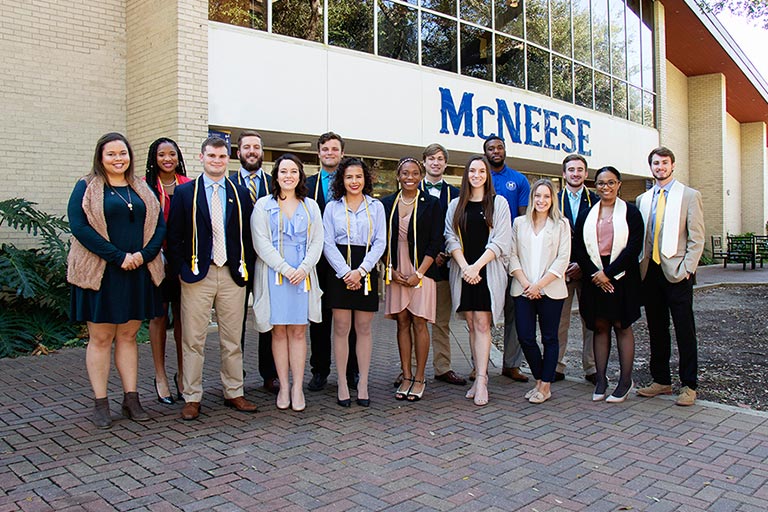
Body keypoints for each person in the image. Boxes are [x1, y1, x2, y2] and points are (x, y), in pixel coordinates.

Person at [67, 132, 165, 429]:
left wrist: (144, 255)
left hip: (137, 272)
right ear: (100, 157)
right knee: (100, 338)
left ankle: (131, 398)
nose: (118, 158)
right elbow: (79, 227)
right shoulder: (86, 186)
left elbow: (159, 223)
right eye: (111, 154)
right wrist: (117, 256)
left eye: (122, 153)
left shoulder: (141, 187)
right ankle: (101, 402)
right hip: (102, 274)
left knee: (128, 336)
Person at [167, 136, 258, 420]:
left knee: (232, 338)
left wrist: (246, 272)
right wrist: (183, 270)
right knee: (194, 339)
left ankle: (234, 391)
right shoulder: (185, 193)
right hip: (197, 275)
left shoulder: (241, 194)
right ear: (201, 157)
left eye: (221, 157)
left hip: (232, 275)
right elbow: (175, 237)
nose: (217, 161)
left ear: (227, 159)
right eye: (212, 156)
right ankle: (192, 396)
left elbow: (248, 238)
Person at [251, 154, 323, 411]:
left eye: (294, 171)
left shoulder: (311, 206)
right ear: (276, 175)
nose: (288, 176)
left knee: (299, 331)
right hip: (274, 273)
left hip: (302, 275)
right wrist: (284, 268)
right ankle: (283, 386)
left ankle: (297, 387)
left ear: (300, 175)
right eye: (283, 171)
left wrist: (303, 268)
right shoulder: (263, 205)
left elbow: (317, 241)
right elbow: (260, 243)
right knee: (278, 330)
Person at [636, 147, 705, 406]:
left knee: (684, 330)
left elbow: (697, 237)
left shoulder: (688, 195)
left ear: (672, 165)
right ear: (651, 167)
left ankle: (689, 385)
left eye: (665, 163)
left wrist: (688, 268)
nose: (660, 167)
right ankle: (661, 380)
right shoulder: (643, 199)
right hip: (650, 272)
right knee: (656, 328)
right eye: (656, 163)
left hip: (677, 273)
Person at [444, 156, 512, 406]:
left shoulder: (499, 203)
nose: (477, 174)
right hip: (464, 272)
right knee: (472, 325)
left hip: (486, 271)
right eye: (472, 170)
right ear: (466, 174)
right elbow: (450, 237)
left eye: (481, 170)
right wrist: (465, 267)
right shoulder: (456, 204)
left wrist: (476, 267)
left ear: (487, 175)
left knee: (483, 324)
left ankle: (483, 379)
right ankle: (476, 375)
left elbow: (501, 240)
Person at [574, 166, 644, 403]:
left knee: (621, 325)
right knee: (600, 325)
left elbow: (634, 246)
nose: (606, 187)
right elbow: (579, 248)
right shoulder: (586, 214)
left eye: (611, 182)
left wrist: (609, 274)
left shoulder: (631, 213)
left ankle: (625, 381)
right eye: (601, 183)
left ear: (619, 184)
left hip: (622, 276)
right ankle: (601, 380)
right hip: (594, 275)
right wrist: (596, 273)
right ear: (596, 186)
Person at [322, 157, 386, 407]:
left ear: (365, 179)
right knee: (340, 327)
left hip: (365, 268)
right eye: (349, 177)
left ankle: (362, 383)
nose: (354, 181)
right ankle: (341, 383)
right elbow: (327, 242)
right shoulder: (332, 207)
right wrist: (345, 272)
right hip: (339, 269)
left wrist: (361, 271)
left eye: (358, 176)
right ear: (342, 180)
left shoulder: (376, 207)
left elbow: (380, 241)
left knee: (364, 328)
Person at [381, 158, 443, 402]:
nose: (410, 177)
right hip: (396, 267)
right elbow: (381, 239)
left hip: (422, 270)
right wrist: (390, 268)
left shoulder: (432, 204)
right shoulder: (387, 203)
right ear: (398, 175)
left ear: (421, 175)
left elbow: (436, 241)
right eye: (405, 173)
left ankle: (419, 377)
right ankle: (405, 375)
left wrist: (419, 273)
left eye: (415, 173)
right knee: (402, 321)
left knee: (419, 321)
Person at [509, 179, 570, 404]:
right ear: (531, 198)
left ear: (552, 199)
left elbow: (563, 259)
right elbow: (511, 255)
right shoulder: (519, 223)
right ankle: (539, 379)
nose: (541, 200)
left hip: (550, 290)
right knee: (525, 337)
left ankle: (545, 386)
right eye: (538, 196)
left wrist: (540, 285)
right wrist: (527, 284)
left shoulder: (561, 224)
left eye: (546, 196)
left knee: (550, 338)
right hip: (523, 289)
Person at [306, 132, 359, 391]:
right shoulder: (306, 184)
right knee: (319, 319)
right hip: (317, 262)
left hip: (346, 262)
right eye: (325, 149)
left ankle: (351, 371)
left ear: (341, 153)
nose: (329, 153)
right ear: (319, 153)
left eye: (334, 149)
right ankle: (320, 370)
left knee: (347, 320)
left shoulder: (352, 182)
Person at [144, 137, 192, 404]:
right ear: (154, 157)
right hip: (156, 260)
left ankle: (183, 375)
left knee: (184, 320)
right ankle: (160, 376)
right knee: (159, 317)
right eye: (161, 154)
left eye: (172, 154)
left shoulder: (188, 185)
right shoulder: (144, 186)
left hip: (182, 259)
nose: (167, 159)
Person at [233, 130, 279, 395]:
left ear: (262, 152)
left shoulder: (276, 184)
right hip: (236, 263)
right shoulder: (228, 183)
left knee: (268, 318)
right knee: (234, 321)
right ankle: (235, 373)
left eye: (257, 147)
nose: (252, 151)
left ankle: (270, 374)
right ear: (238, 153)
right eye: (247, 147)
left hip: (267, 263)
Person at [483, 136, 530, 383]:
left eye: (499, 147)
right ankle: (478, 365)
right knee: (484, 313)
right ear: (485, 153)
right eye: (491, 148)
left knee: (515, 313)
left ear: (505, 150)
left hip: (511, 255)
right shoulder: (480, 178)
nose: (496, 151)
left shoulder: (519, 180)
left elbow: (524, 219)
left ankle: (511, 364)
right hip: (485, 256)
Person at [419, 144, 465, 386]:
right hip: (418, 267)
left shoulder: (456, 194)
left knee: (441, 321)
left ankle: (442, 367)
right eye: (431, 159)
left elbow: (458, 228)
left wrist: (446, 253)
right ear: (424, 162)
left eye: (440, 159)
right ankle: (411, 368)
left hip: (444, 266)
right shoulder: (411, 189)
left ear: (445, 164)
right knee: (415, 321)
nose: (435, 163)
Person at [555, 154, 599, 384]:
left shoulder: (596, 201)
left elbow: (599, 238)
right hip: (561, 271)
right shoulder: (554, 199)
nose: (575, 173)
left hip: (588, 270)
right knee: (559, 320)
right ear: (564, 174)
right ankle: (557, 365)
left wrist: (582, 264)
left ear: (586, 173)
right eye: (571, 169)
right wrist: (562, 266)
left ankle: (591, 366)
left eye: (580, 169)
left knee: (589, 319)